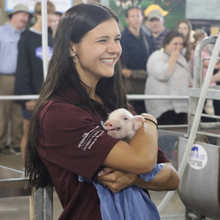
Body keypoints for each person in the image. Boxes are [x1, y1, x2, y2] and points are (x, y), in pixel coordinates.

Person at [25, 3, 179, 220]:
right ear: (72, 47)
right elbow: (143, 162)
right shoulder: (59, 114)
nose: (115, 49)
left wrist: (135, 179)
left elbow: (171, 177)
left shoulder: (115, 108)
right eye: (102, 40)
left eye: (116, 39)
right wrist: (149, 120)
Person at [14, 1, 55, 166]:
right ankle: (28, 171)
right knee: (29, 134)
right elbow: (22, 68)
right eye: (48, 13)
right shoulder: (26, 38)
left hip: (48, 94)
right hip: (32, 95)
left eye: (52, 13)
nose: (51, 17)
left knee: (45, 134)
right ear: (38, 14)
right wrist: (27, 97)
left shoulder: (51, 38)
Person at [0, 4, 31, 156]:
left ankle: (16, 143)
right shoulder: (1, 32)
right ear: (13, 15)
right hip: (4, 78)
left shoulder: (26, 35)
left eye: (27, 16)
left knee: (19, 114)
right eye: (23, 15)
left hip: (21, 79)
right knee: (2, 113)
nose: (25, 19)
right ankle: (1, 142)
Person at [145, 31, 192, 125]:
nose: (178, 47)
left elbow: (188, 77)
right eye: (175, 44)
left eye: (181, 44)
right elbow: (163, 75)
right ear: (166, 44)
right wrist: (173, 59)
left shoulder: (182, 59)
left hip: (181, 106)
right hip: (163, 107)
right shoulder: (157, 56)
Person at [120, 6, 154, 114]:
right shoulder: (122, 38)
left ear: (142, 17)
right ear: (127, 19)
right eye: (132, 16)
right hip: (130, 81)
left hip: (146, 79)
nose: (135, 19)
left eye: (138, 15)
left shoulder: (147, 38)